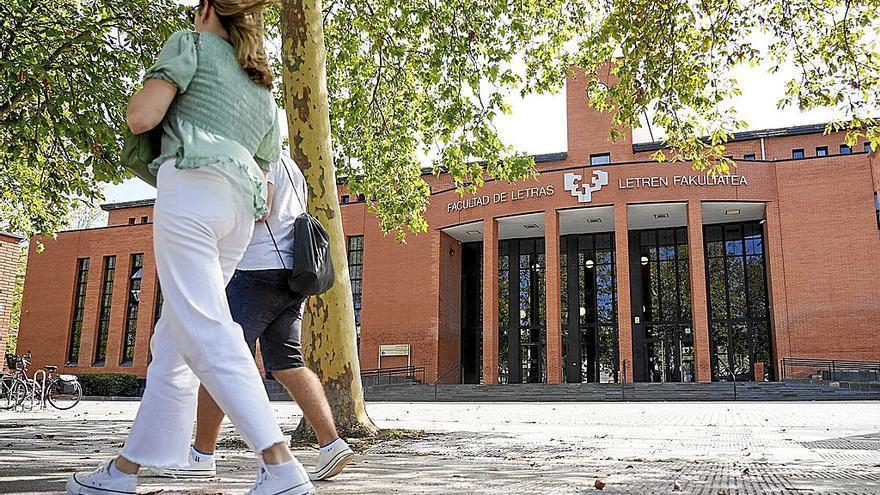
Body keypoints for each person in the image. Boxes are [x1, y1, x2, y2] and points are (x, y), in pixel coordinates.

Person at [67, 2, 314, 494]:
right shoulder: (262, 90)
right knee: (174, 342)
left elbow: (141, 117)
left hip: (191, 192)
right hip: (238, 215)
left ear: (206, 9)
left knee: (207, 329)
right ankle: (125, 471)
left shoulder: (191, 44)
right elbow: (266, 197)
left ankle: (281, 465)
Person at [157, 151, 354, 481]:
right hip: (293, 276)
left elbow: (260, 208)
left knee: (219, 360)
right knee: (288, 364)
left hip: (256, 272)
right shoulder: (292, 165)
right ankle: (331, 444)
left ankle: (201, 456)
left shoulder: (261, 156)